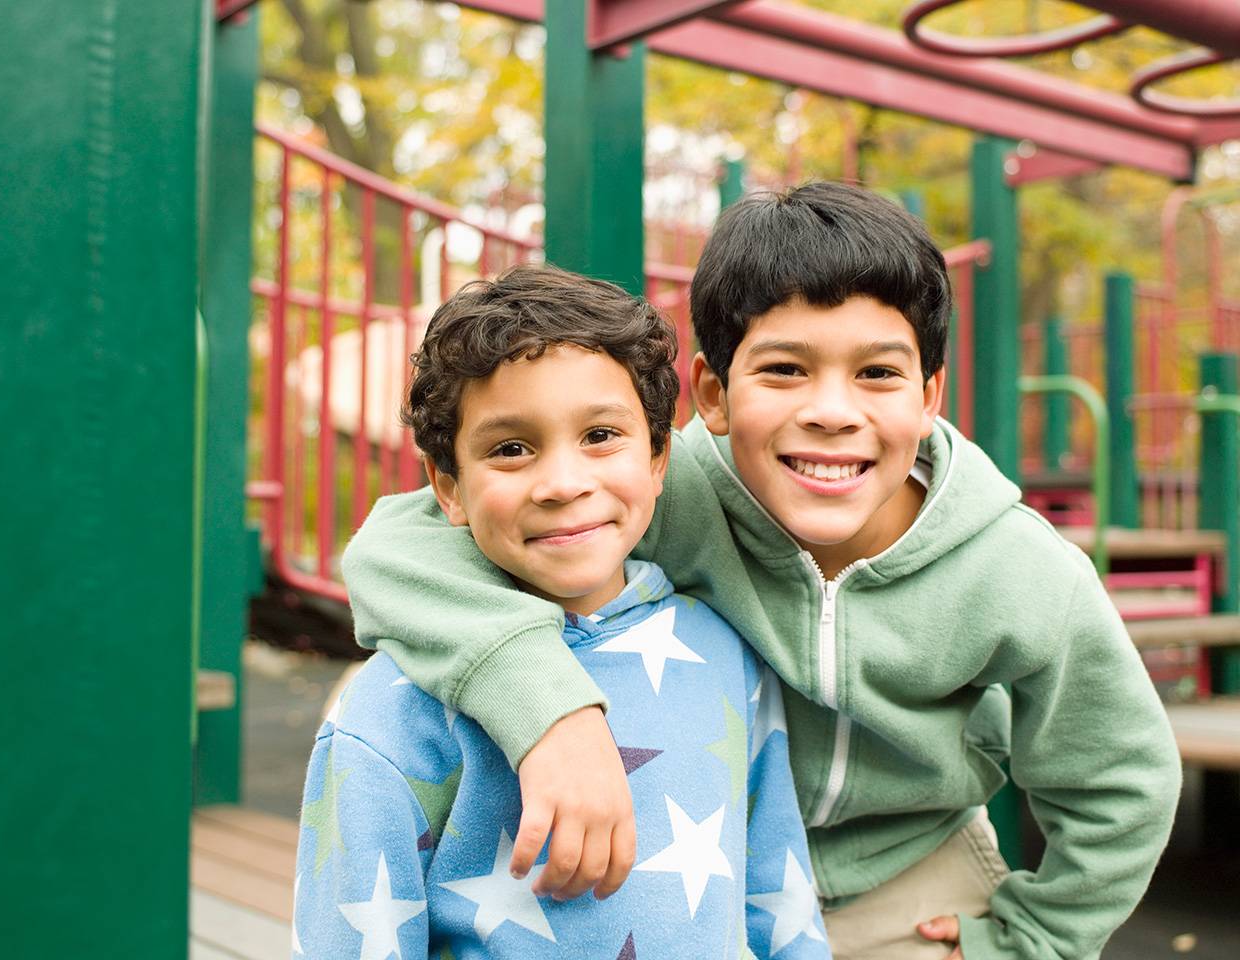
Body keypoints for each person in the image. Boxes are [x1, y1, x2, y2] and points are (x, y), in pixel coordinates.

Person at [342, 182, 1182, 960]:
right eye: (784, 369)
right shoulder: (662, 490)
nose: (830, 410)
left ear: (928, 397)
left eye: (878, 374)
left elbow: (1122, 776)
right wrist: (548, 712)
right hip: (700, 877)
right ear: (711, 392)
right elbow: (394, 550)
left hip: (911, 880)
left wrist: (1038, 938)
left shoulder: (1016, 568)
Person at [293, 264, 830, 959]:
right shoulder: (389, 712)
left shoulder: (728, 653)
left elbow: (779, 904)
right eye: (511, 449)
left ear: (659, 455)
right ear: (448, 488)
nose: (563, 483)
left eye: (602, 435)